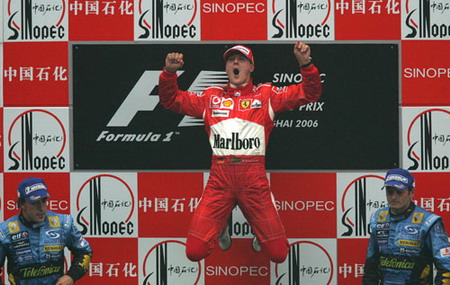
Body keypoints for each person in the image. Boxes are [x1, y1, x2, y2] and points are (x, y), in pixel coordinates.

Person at [158, 41, 322, 263]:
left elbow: (309, 93)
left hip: (253, 180)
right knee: (194, 252)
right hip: (220, 179)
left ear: (251, 67)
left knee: (279, 254)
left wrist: (306, 63)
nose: (235, 62)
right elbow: (171, 100)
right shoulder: (210, 97)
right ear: (226, 67)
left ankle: (258, 230)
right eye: (231, 59)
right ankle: (223, 224)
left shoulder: (266, 95)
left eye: (242, 59)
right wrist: (169, 73)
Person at [363, 168, 450, 284]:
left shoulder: (429, 222)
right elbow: (371, 264)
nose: (393, 197)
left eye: (399, 192)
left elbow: (446, 266)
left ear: (411, 192)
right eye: (389, 191)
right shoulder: (378, 218)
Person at [0, 178, 92, 285]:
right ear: (21, 204)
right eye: (34, 203)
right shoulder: (5, 231)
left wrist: (71, 276)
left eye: (44, 201)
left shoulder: (63, 223)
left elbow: (85, 252)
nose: (41, 208)